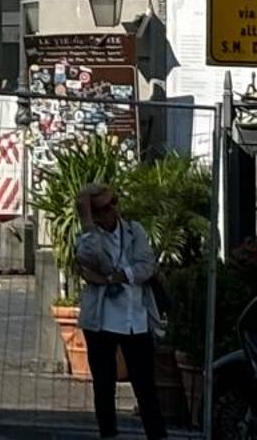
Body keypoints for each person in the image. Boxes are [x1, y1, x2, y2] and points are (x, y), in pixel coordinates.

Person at [76, 180, 168, 440]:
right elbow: (89, 258)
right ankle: (108, 434)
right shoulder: (87, 236)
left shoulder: (134, 231)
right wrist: (88, 223)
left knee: (145, 386)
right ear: (93, 214)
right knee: (103, 387)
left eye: (113, 202)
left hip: (135, 318)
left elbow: (146, 266)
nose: (112, 210)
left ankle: (157, 435)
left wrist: (113, 277)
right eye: (103, 208)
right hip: (102, 321)